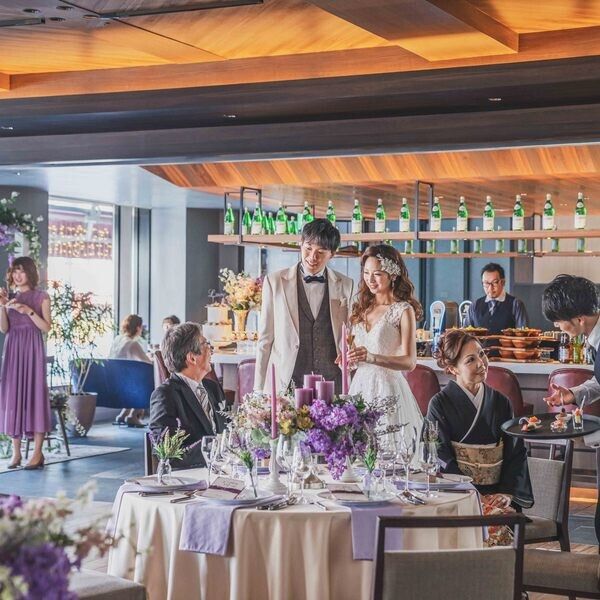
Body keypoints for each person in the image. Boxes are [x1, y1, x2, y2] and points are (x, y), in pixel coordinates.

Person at [427, 329, 533, 511]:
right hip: (458, 495)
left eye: (482, 354)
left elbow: (515, 453)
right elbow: (439, 455)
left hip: (497, 495)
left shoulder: (501, 402)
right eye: (470, 360)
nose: (481, 363)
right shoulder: (439, 404)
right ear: (453, 369)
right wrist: (472, 493)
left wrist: (506, 494)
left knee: (500, 517)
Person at [255, 218, 353, 394]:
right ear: (300, 244)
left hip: (332, 380)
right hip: (288, 379)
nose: (312, 257)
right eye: (308, 248)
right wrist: (258, 389)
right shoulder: (274, 282)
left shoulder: (346, 284)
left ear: (332, 254)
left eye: (321, 252)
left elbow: (352, 334)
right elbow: (265, 340)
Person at [541, 275, 600, 547]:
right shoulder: (594, 338)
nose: (556, 326)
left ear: (579, 318)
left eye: (558, 320)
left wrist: (590, 435)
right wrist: (572, 394)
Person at [347, 245, 423, 433]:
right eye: (366, 273)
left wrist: (371, 357)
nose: (370, 280)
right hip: (360, 387)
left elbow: (410, 362)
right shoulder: (361, 308)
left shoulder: (403, 310)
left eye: (377, 274)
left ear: (393, 275)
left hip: (388, 389)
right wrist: (348, 360)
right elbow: (357, 354)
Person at [149, 322, 226, 469]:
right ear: (192, 358)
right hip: (188, 477)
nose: (211, 350)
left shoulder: (213, 388)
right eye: (206, 344)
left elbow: (225, 430)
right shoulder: (166, 395)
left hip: (221, 473)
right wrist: (213, 448)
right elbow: (166, 454)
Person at [0, 257, 52, 470]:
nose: (17, 275)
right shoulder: (11, 298)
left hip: (32, 349)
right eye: (14, 271)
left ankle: (37, 453)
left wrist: (28, 311)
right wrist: (2, 307)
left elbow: (46, 327)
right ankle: (16, 453)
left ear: (30, 273)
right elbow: (4, 329)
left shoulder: (42, 296)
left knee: (35, 396)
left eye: (21, 271)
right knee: (13, 397)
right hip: (13, 349)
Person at [109, 314, 152, 427]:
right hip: (127, 383)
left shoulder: (118, 340)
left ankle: (122, 415)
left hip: (115, 380)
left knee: (136, 378)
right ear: (138, 328)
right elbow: (147, 362)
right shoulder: (132, 344)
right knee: (149, 382)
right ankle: (133, 415)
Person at [464, 263, 528, 335]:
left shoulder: (516, 304)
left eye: (494, 282)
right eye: (486, 283)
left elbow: (523, 335)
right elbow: (465, 334)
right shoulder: (475, 306)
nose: (490, 288)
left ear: (503, 282)